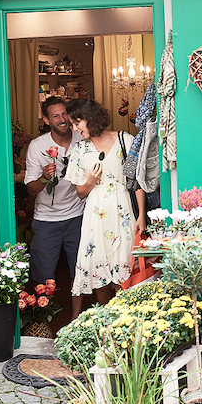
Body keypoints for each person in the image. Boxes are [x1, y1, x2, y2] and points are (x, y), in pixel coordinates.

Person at [64, 98, 146, 314]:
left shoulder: (124, 140)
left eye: (76, 122)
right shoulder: (79, 150)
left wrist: (142, 216)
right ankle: (106, 316)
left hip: (123, 210)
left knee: (124, 263)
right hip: (95, 212)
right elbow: (80, 192)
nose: (74, 128)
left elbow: (136, 181)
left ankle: (125, 317)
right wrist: (90, 181)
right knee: (98, 264)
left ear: (88, 118)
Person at [24, 97, 85, 316]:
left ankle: (76, 317)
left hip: (78, 215)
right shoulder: (37, 146)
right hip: (46, 220)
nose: (62, 119)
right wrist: (43, 178)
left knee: (80, 271)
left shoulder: (82, 137)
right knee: (43, 275)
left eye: (64, 114)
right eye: (56, 116)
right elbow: (31, 189)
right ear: (46, 120)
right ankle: (42, 322)